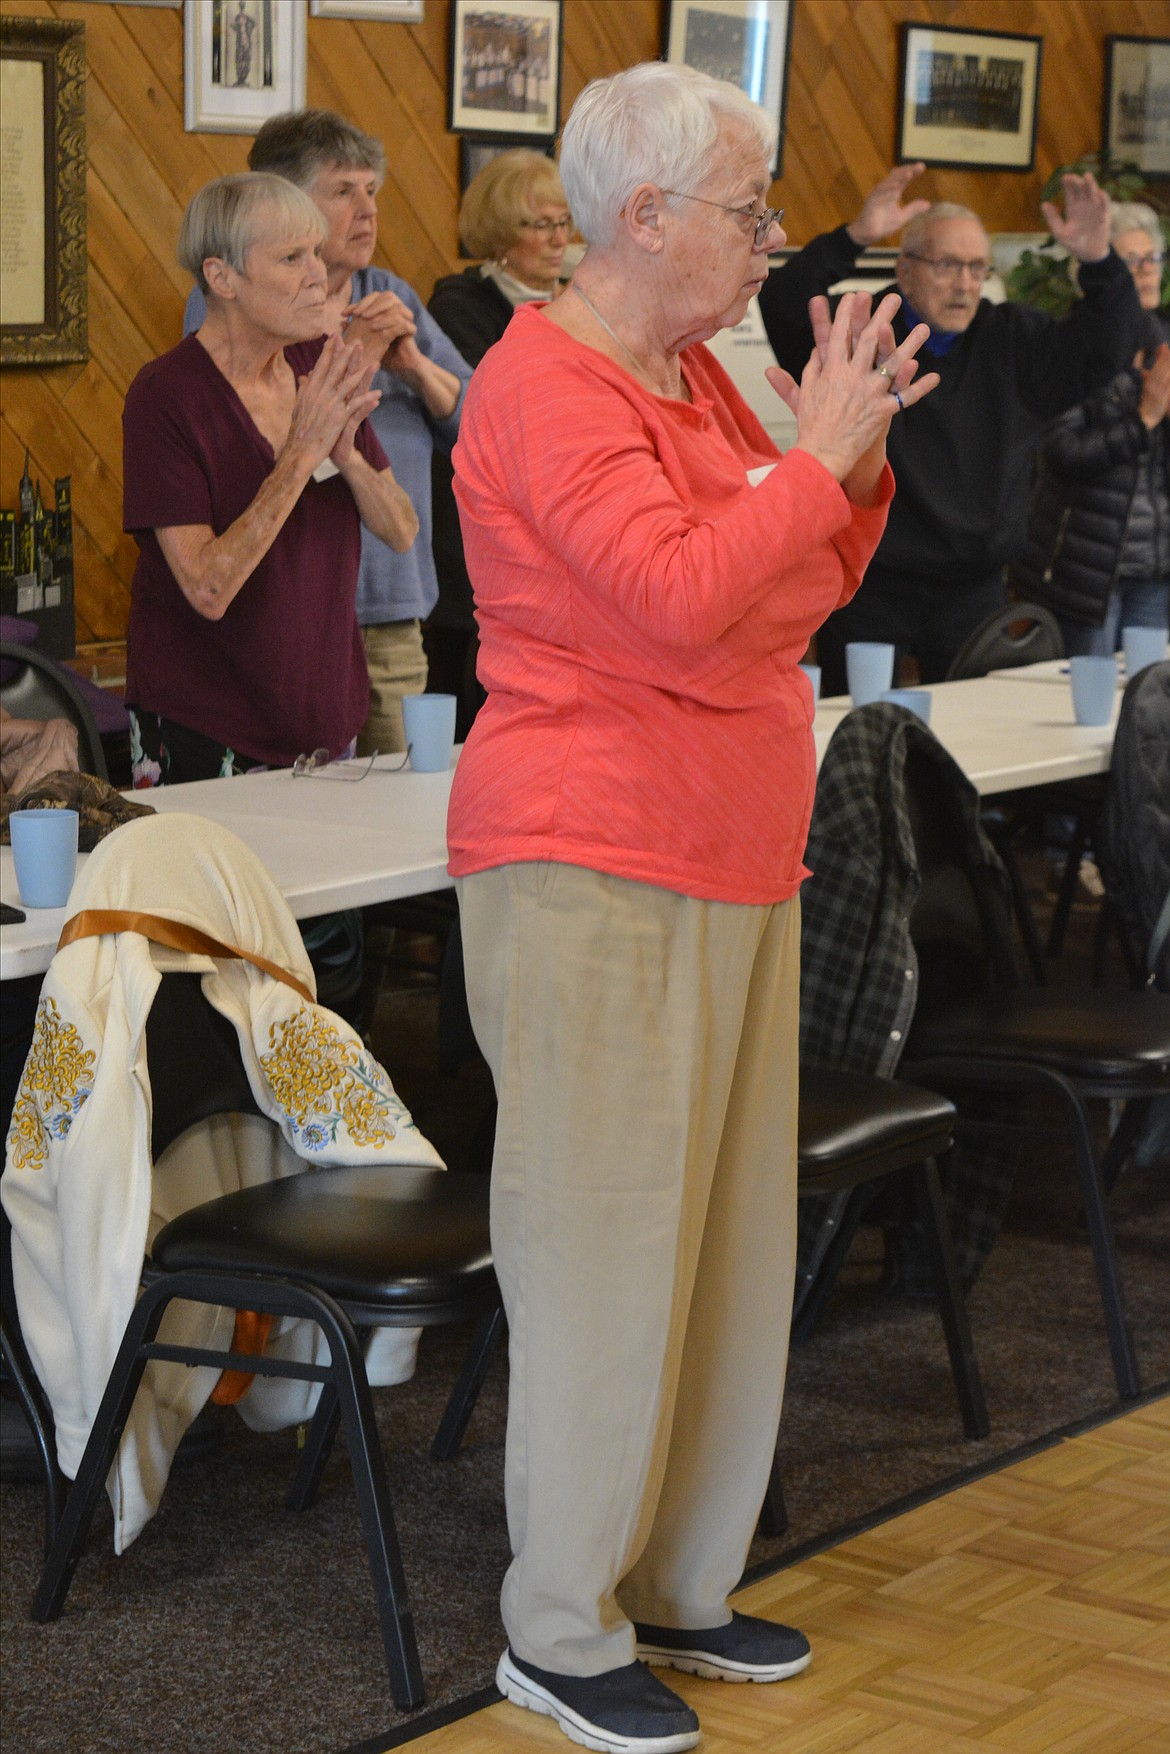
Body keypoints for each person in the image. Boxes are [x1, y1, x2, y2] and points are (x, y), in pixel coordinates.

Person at [448, 61, 938, 1754]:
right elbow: (674, 599)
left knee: (721, 1244)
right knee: (601, 1248)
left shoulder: (691, 375)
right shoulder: (551, 384)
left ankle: (677, 1574)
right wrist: (801, 471)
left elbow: (796, 582)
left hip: (732, 845)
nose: (773, 238)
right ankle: (558, 1621)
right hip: (590, 854)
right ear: (642, 218)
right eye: (749, 209)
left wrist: (826, 464)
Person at [758, 165, 1144, 693]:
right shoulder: (866, 339)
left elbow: (1108, 349)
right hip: (871, 586)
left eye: (976, 268)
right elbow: (782, 300)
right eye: (948, 266)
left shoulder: (1012, 338)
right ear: (906, 267)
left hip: (974, 590)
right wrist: (856, 236)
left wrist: (1098, 260)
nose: (965, 284)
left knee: (965, 750)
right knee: (861, 739)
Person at [186, 111, 473, 754]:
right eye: (343, 191)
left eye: (372, 190)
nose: (366, 210)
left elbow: (479, 424)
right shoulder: (232, 306)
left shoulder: (389, 293)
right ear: (284, 202)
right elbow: (245, 443)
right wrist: (357, 355)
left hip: (394, 598)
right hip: (291, 609)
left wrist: (414, 364)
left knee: (401, 803)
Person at [125, 172, 417, 785]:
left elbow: (403, 530)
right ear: (222, 278)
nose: (319, 273)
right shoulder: (165, 396)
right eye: (291, 258)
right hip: (206, 730)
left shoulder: (319, 364)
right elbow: (208, 588)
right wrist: (300, 456)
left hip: (327, 726)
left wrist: (350, 456)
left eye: (316, 251)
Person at [426, 149, 572, 727]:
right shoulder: (461, 307)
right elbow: (505, 416)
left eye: (564, 221)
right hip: (476, 556)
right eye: (540, 225)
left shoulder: (575, 300)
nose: (558, 238)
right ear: (499, 234)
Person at [1010, 202, 1169, 654]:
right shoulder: (1075, 347)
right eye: (1130, 261)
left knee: (1147, 701)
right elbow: (1062, 451)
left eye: (1152, 258)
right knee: (1085, 709)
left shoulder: (1165, 345)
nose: (1145, 270)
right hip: (1087, 568)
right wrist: (1144, 421)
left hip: (1155, 568)